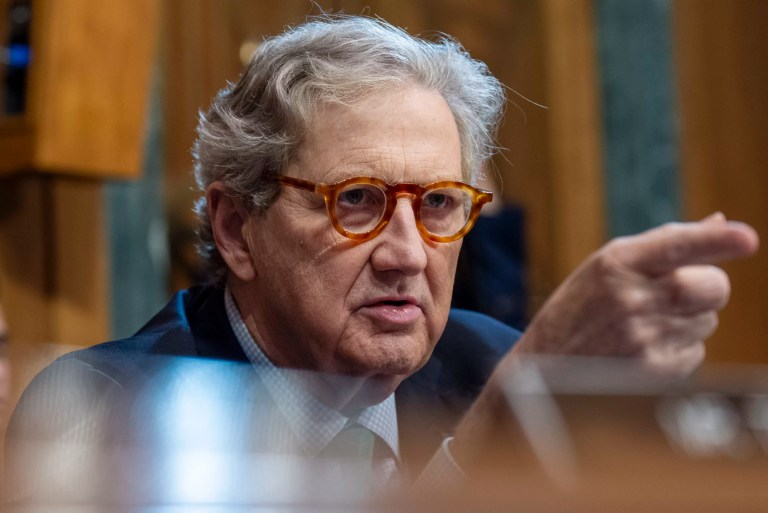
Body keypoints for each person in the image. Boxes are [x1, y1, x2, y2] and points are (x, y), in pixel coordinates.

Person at [6, 14, 759, 504]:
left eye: (437, 206)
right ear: (237, 229)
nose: (406, 255)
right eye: (357, 201)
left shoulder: (491, 360)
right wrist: (501, 428)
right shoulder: (103, 407)